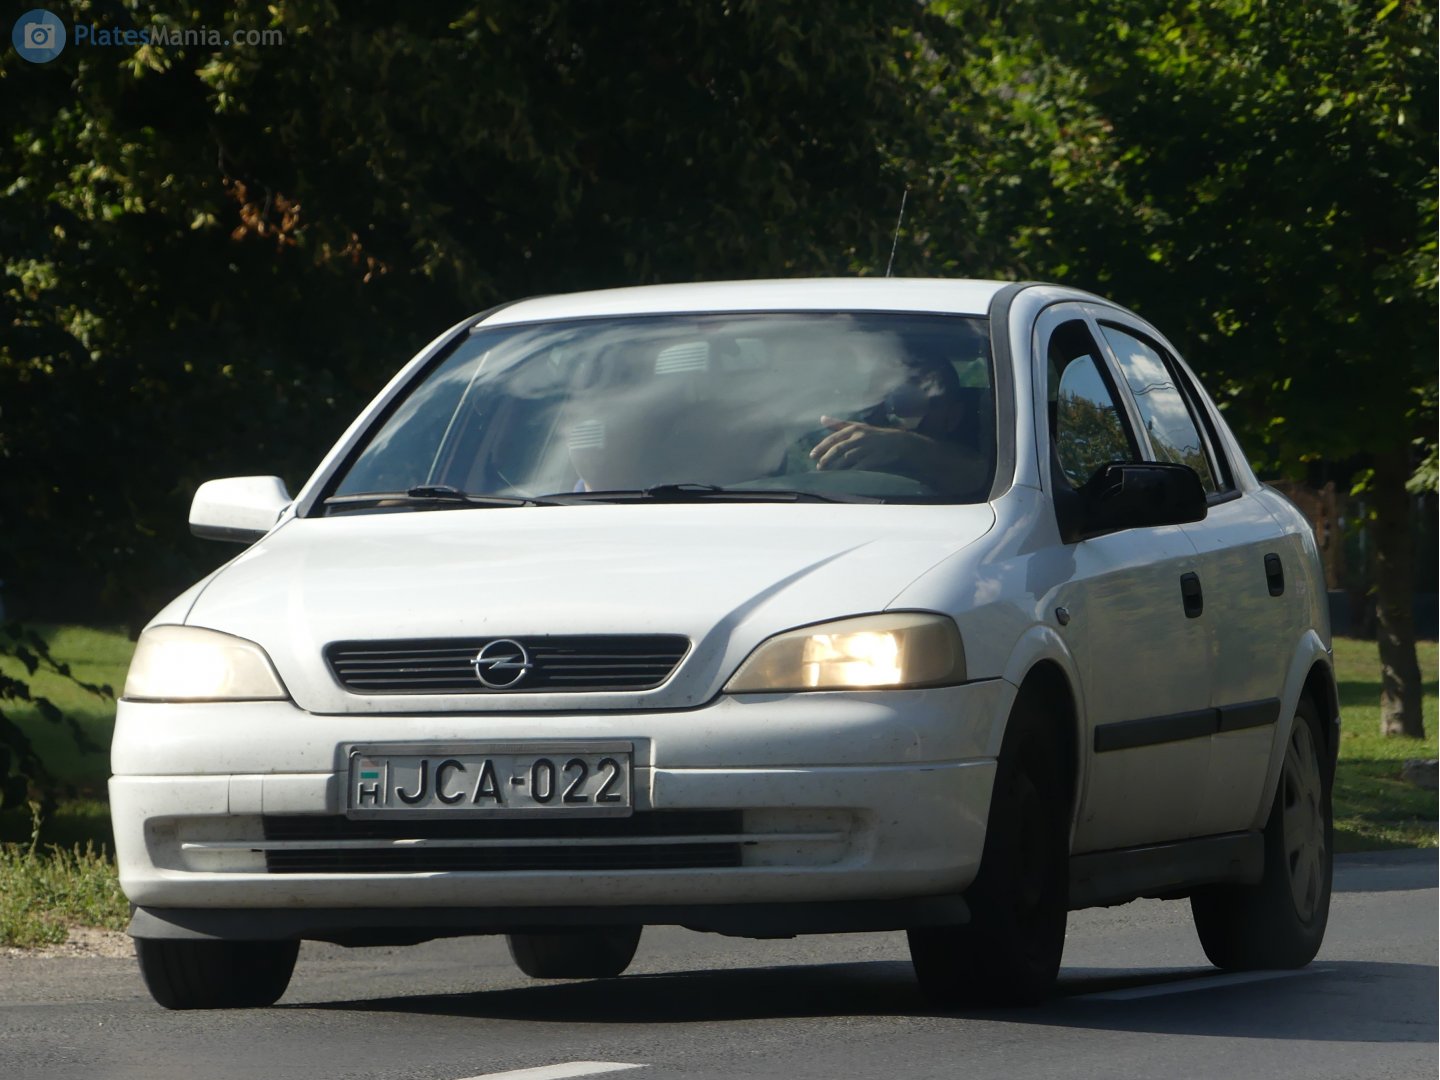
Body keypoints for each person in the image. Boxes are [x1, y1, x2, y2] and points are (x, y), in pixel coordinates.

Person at [808, 359, 986, 497]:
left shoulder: (993, 490)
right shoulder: (816, 488)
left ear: (953, 416)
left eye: (908, 401)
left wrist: (907, 446)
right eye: (875, 399)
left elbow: (979, 476)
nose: (888, 411)